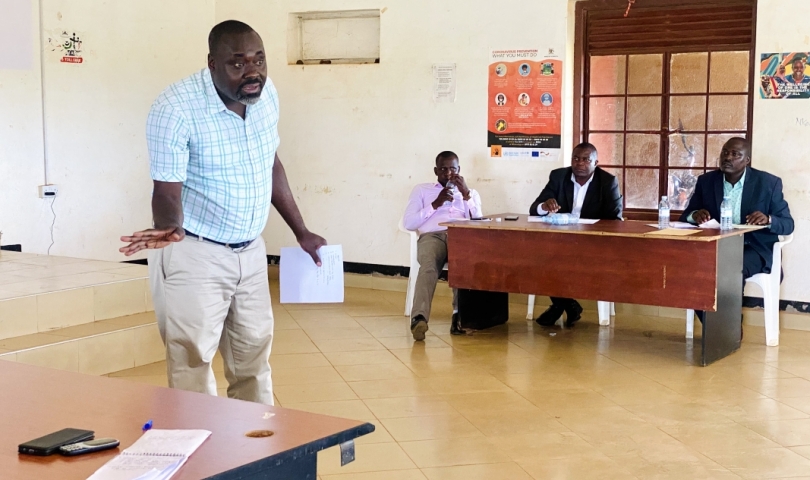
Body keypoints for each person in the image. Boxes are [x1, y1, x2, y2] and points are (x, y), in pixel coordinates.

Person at [119, 20, 326, 405]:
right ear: (212, 63)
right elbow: (166, 188)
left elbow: (270, 163)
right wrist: (169, 227)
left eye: (259, 60)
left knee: (254, 356)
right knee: (193, 359)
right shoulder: (175, 108)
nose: (252, 72)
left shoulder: (265, 94)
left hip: (250, 251)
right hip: (196, 251)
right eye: (238, 63)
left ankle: (255, 438)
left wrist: (301, 230)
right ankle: (201, 440)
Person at [680, 137, 793, 328]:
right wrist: (695, 215)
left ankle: (726, 328)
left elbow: (788, 224)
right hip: (717, 247)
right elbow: (686, 216)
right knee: (689, 268)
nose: (728, 157)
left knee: (729, 269)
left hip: (754, 248)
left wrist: (768, 219)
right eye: (725, 152)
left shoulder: (768, 183)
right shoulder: (707, 181)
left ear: (747, 160)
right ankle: (721, 327)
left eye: (735, 154)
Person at [529, 142, 622, 327]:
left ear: (596, 162)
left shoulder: (607, 182)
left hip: (592, 243)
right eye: (576, 158)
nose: (580, 163)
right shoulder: (559, 176)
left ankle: (560, 306)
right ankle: (568, 304)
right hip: (561, 240)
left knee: (557, 260)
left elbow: (615, 220)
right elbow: (534, 208)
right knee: (539, 257)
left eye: (586, 159)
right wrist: (544, 206)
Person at [403, 151, 482, 340]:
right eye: (443, 169)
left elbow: (479, 223)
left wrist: (466, 195)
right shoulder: (422, 190)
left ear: (459, 170)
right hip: (432, 236)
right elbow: (409, 223)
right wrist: (435, 204)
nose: (448, 173)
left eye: (452, 169)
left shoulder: (471, 193)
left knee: (462, 264)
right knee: (428, 266)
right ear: (435, 170)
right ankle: (419, 318)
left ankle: (458, 318)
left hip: (460, 236)